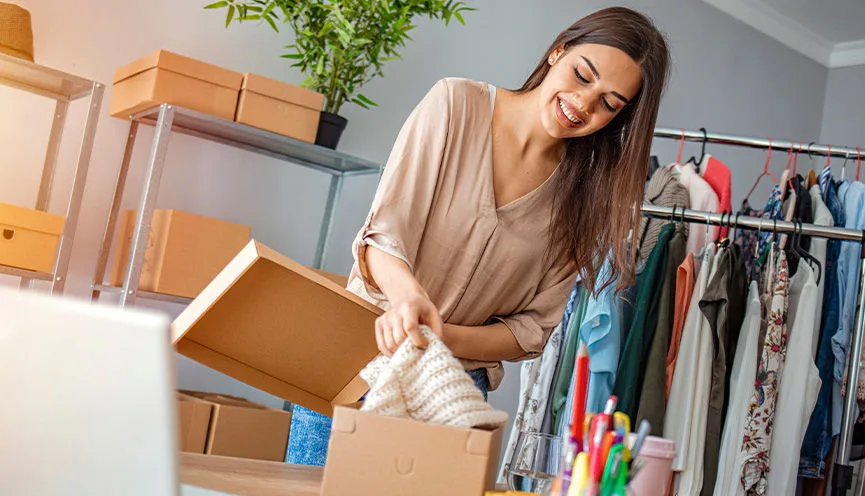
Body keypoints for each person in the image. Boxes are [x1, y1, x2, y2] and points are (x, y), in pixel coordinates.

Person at [285, 6, 671, 466]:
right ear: (557, 51)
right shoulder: (454, 105)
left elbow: (531, 330)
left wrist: (439, 336)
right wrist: (408, 300)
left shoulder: (588, 197)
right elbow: (382, 236)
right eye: (582, 75)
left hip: (451, 391)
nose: (586, 104)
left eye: (610, 103)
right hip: (355, 360)